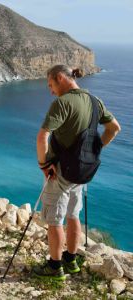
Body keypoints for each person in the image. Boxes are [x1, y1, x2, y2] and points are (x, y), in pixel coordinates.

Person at [34, 65, 121, 280]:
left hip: (61, 171)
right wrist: (95, 149)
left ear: (61, 78)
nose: (51, 91)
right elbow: (114, 128)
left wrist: (44, 165)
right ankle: (71, 260)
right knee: (73, 215)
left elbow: (42, 137)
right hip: (83, 171)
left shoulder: (62, 103)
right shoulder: (94, 101)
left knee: (55, 219)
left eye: (51, 85)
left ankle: (54, 267)